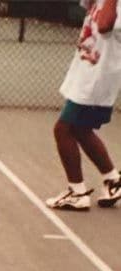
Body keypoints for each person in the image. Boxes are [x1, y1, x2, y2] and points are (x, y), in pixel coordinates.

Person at [46, 0, 121, 210]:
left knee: (63, 129)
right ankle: (113, 180)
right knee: (81, 129)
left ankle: (77, 192)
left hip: (98, 78)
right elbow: (88, 8)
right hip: (86, 69)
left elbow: (105, 24)